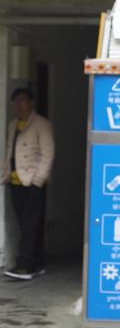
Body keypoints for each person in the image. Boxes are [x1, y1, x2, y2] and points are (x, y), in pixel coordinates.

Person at [2, 88, 55, 280]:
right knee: (26, 224)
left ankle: (24, 265)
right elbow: (9, 150)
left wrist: (38, 180)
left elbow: (47, 153)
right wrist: (6, 172)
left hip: (32, 181)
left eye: (22, 100)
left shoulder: (41, 124)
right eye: (15, 101)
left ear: (31, 102)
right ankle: (37, 262)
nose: (18, 104)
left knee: (29, 224)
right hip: (15, 181)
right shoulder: (13, 124)